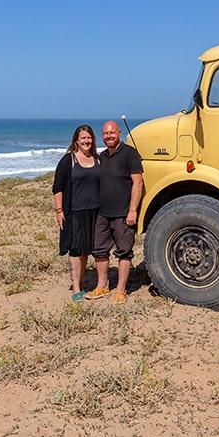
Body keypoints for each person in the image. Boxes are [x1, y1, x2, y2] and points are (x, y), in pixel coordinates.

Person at [85, 120, 144, 304]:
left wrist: (133, 210)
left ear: (119, 133)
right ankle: (102, 286)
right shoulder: (102, 156)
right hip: (103, 213)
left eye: (112, 133)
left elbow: (138, 182)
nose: (108, 136)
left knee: (124, 252)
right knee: (99, 251)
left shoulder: (129, 154)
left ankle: (120, 290)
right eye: (105, 134)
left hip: (123, 214)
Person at [52, 125, 101, 302]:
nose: (87, 141)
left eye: (89, 138)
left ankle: (83, 282)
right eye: (83, 138)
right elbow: (57, 188)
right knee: (75, 250)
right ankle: (77, 288)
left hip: (95, 211)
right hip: (74, 212)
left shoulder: (97, 159)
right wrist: (59, 210)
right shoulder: (68, 160)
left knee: (87, 249)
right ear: (76, 141)